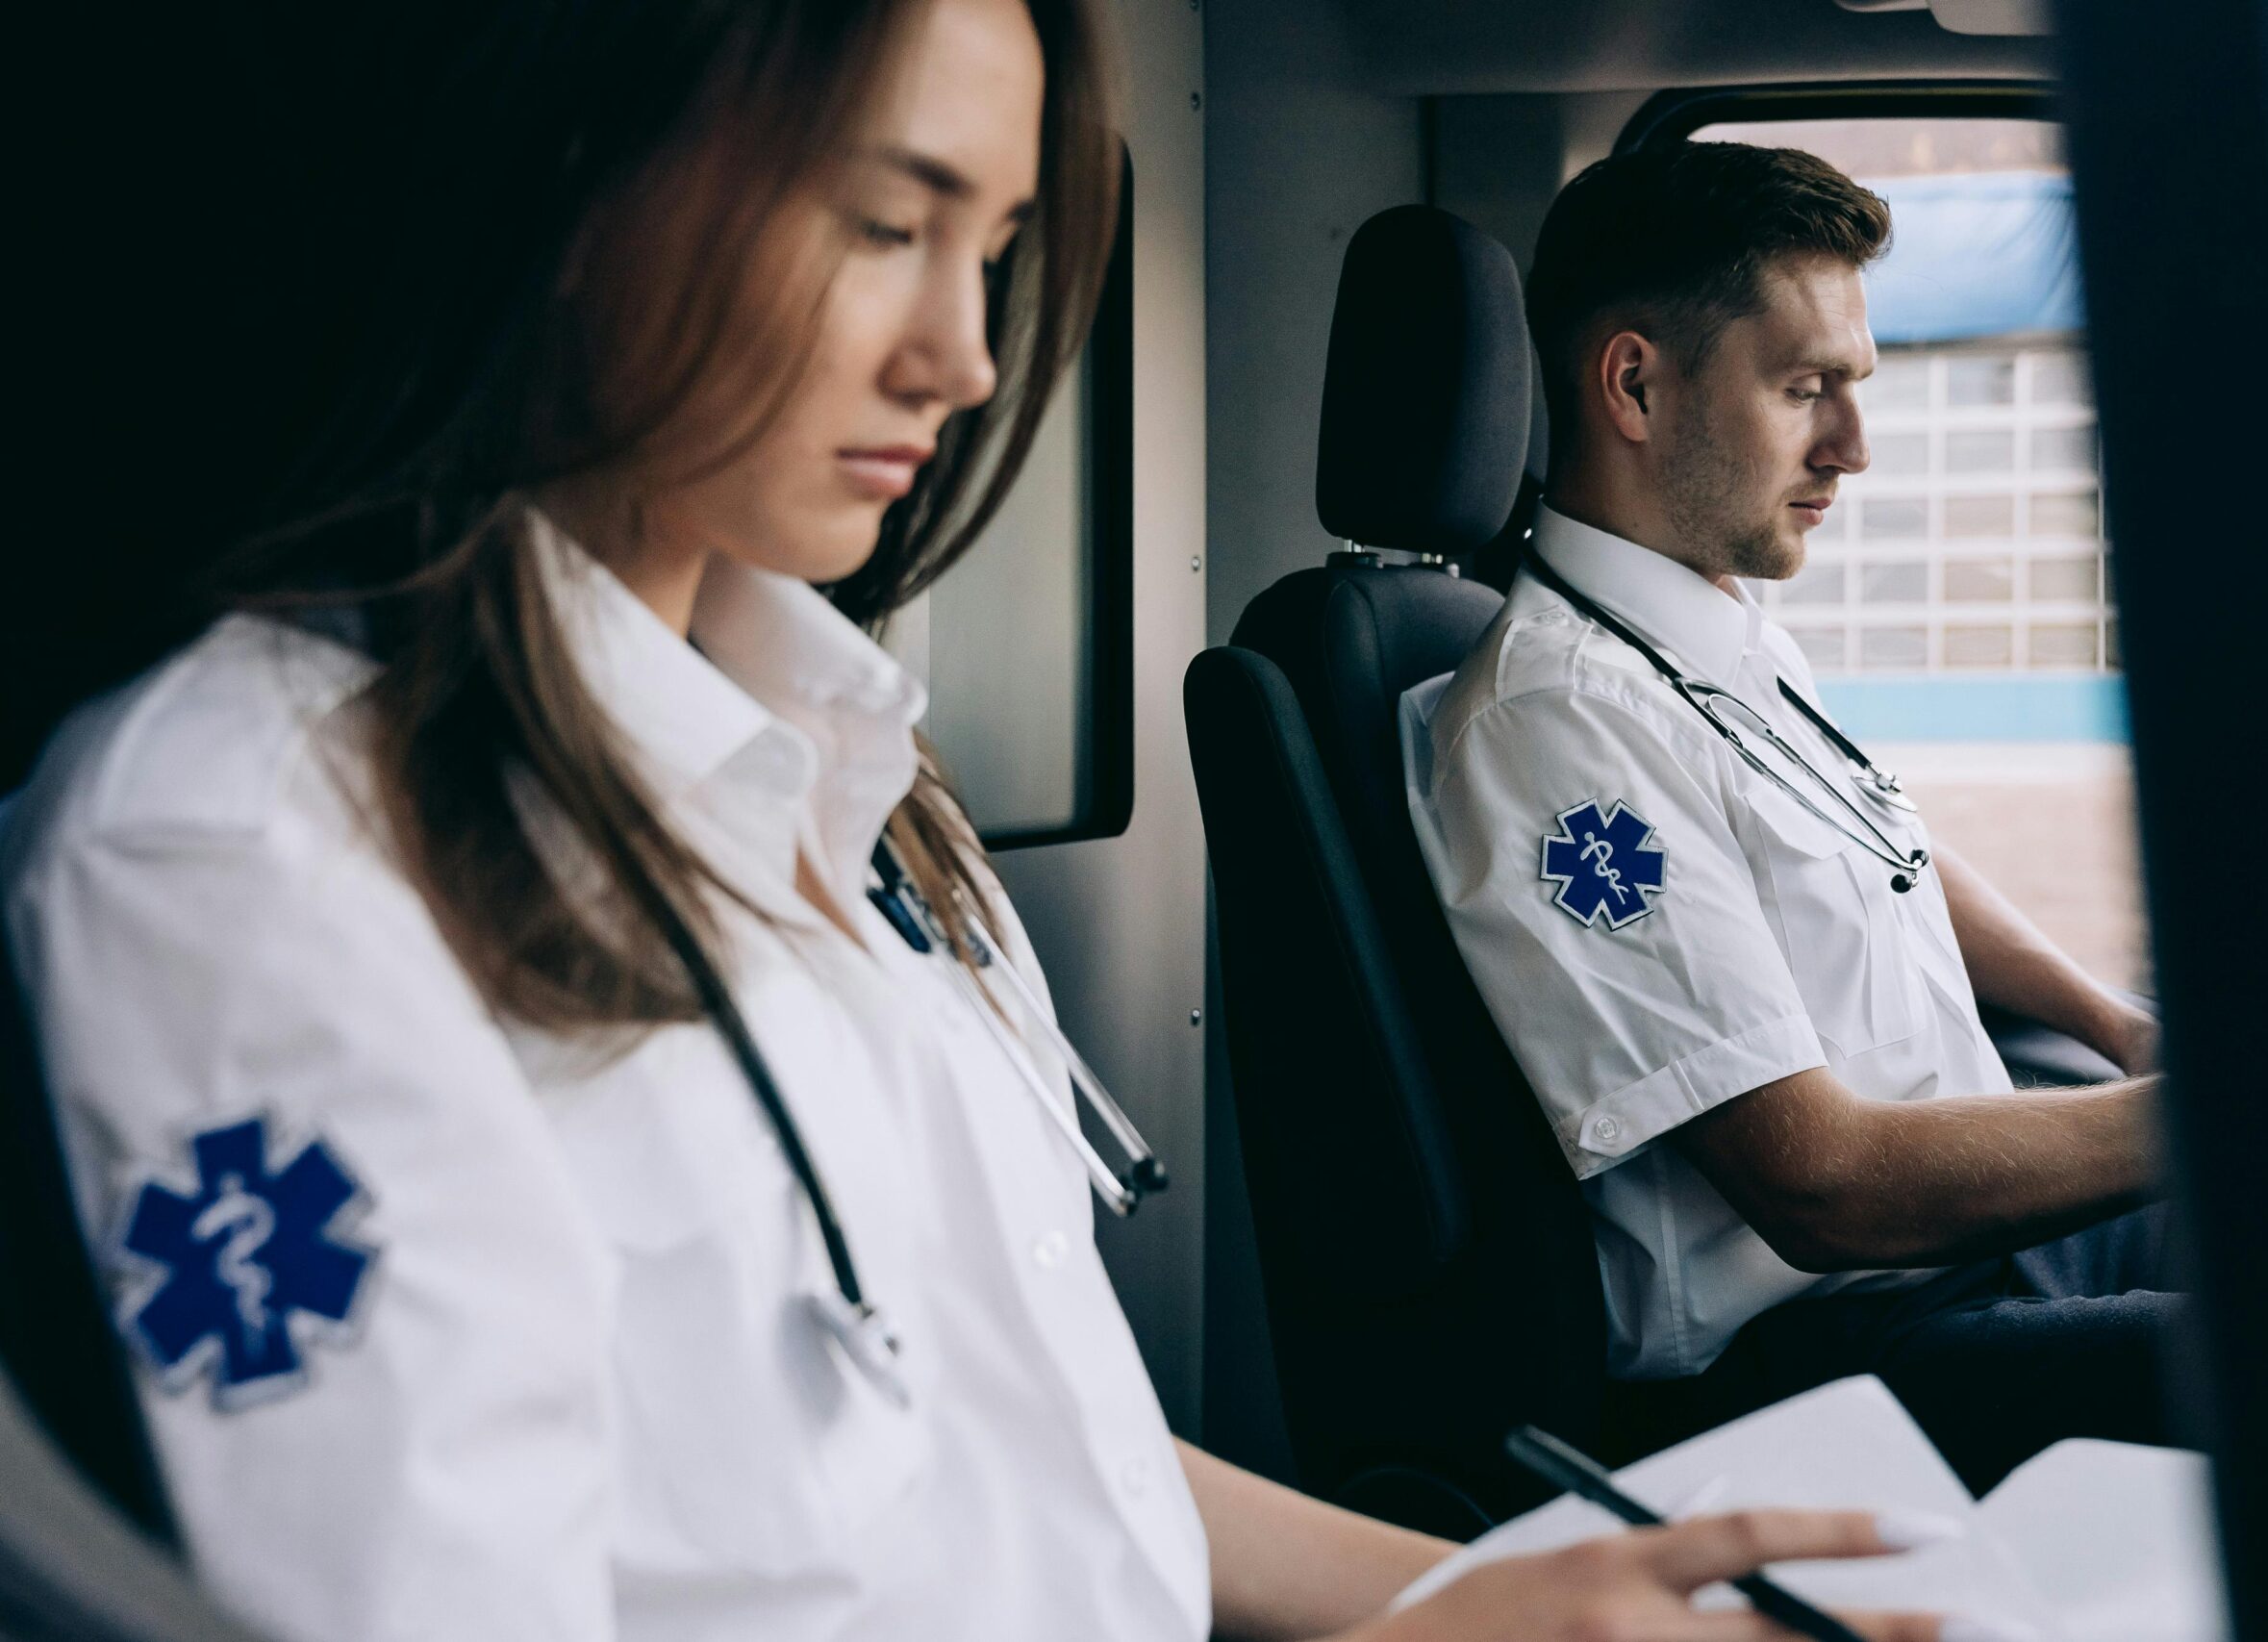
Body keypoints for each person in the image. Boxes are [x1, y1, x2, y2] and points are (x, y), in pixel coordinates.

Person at [0, 5, 1975, 1641]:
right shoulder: (256, 849)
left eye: (997, 250)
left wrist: (1484, 1598)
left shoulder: (838, 764)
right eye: (884, 222)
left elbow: (1014, 1431)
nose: (960, 354)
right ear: (565, 182)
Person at [1401, 141, 2182, 1491]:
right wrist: (2243, 1115)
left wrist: (2113, 1023)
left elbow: (1890, 848)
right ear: (1636, 385)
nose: (1855, 448)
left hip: (1966, 1259)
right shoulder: (1561, 721)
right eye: (1806, 389)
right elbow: (1822, 1185)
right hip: (1838, 1354)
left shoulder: (1715, 635)